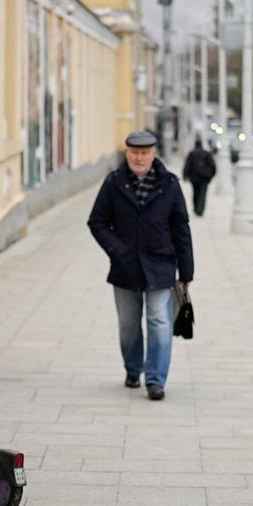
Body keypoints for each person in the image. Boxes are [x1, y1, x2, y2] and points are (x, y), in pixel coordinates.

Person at [87, 129, 194, 401]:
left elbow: (181, 227)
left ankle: (155, 380)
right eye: (134, 153)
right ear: (127, 153)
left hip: (161, 265)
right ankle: (133, 369)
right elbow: (97, 222)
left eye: (144, 153)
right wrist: (117, 249)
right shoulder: (113, 183)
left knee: (159, 321)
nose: (139, 158)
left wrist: (187, 270)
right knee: (128, 325)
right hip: (125, 267)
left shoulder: (169, 184)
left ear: (153, 154)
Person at [181, 139, 218, 217]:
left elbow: (187, 165)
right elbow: (213, 166)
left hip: (194, 178)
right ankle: (200, 210)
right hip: (204, 178)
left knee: (195, 193)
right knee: (202, 194)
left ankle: (196, 209)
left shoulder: (192, 153)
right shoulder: (206, 153)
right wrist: (211, 176)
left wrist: (185, 175)